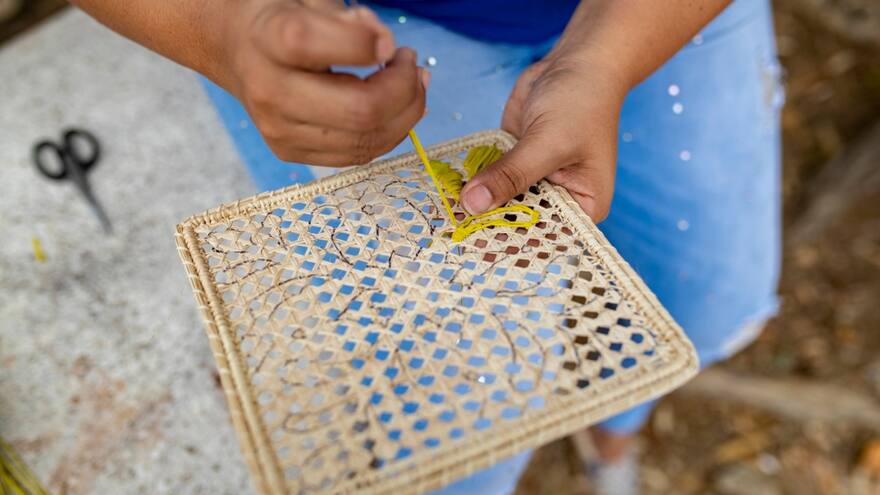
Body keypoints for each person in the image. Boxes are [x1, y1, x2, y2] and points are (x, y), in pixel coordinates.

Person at [73, 0, 783, 493]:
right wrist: (216, 30)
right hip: (362, 31)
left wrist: (604, 60)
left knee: (699, 296)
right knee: (463, 412)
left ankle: (614, 433)